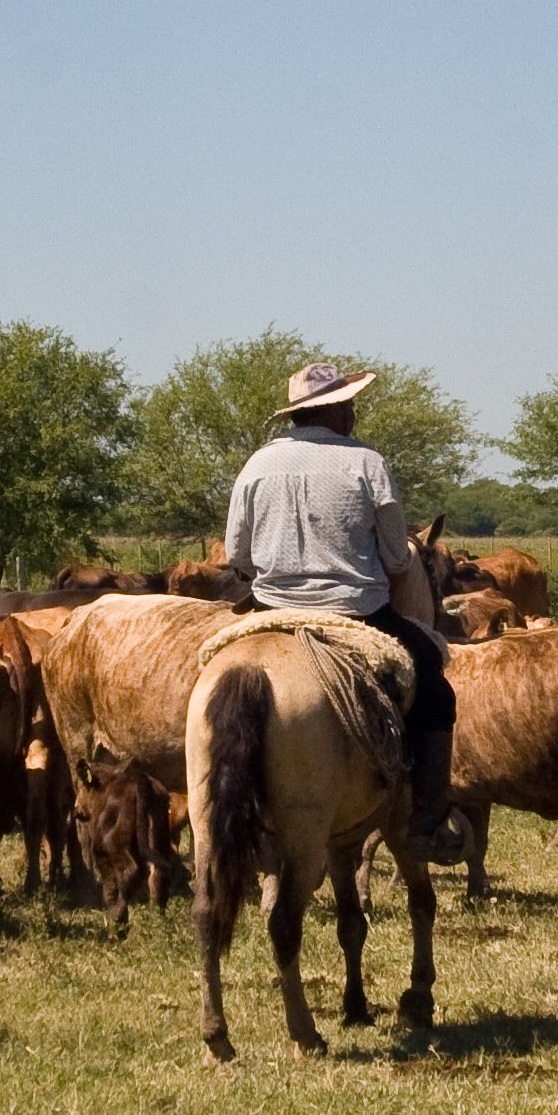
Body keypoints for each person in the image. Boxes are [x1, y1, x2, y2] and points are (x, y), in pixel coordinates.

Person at [220, 359, 466, 863]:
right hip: (357, 613)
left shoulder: (256, 465)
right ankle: (427, 821)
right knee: (434, 683)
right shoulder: (366, 463)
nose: (354, 413)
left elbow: (236, 555)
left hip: (271, 610)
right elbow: (399, 558)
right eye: (349, 403)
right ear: (333, 410)